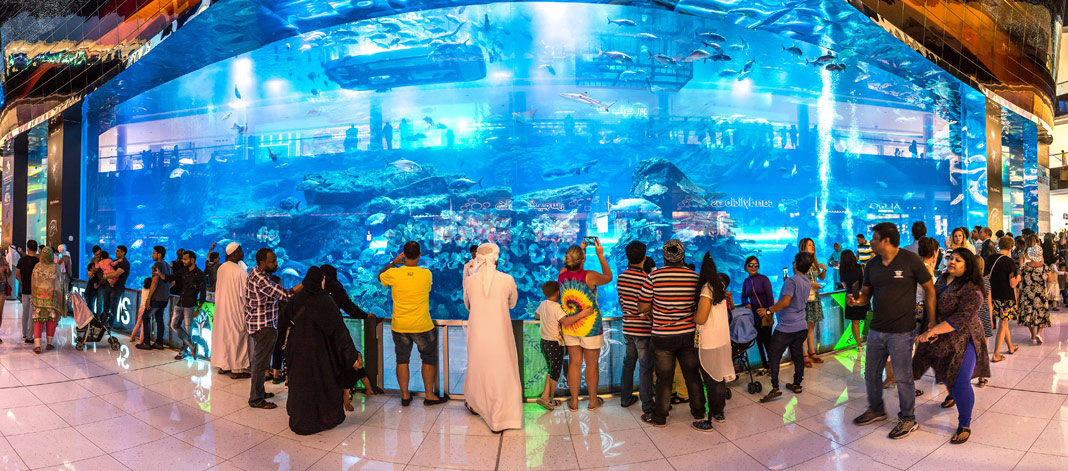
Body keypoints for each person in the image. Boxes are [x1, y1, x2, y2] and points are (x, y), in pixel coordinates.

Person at [849, 223, 935, 440]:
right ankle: (876, 409)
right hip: (877, 329)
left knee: (904, 378)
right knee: (871, 374)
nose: (871, 242)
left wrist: (932, 321)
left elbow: (929, 289)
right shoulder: (871, 265)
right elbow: (865, 295)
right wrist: (856, 301)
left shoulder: (910, 260)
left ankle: (908, 419)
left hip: (902, 331)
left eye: (874, 238)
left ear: (886, 240)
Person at [912, 249, 991, 445]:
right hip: (942, 335)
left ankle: (964, 424)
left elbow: (960, 319)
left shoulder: (974, 289)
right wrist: (930, 323)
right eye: (950, 258)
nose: (952, 262)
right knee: (945, 372)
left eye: (958, 260)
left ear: (968, 265)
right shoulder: (942, 279)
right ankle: (952, 395)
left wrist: (932, 331)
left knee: (960, 380)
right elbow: (932, 301)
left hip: (966, 337)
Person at [278, 266, 361, 435]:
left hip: (297, 350)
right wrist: (352, 356)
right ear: (320, 281)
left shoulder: (296, 298)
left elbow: (283, 320)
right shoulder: (326, 301)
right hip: (321, 351)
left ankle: (300, 418)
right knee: (323, 383)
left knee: (300, 384)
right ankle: (324, 418)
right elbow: (339, 331)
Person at [638, 239, 704, 427]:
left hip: (662, 335)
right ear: (682, 255)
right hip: (688, 334)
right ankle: (699, 413)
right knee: (692, 375)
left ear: (664, 256)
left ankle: (660, 417)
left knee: (664, 379)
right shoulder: (694, 277)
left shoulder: (654, 277)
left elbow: (642, 306)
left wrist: (655, 309)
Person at [378, 241, 448, 407]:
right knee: (428, 359)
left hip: (400, 325)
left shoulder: (394, 273)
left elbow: (380, 276)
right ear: (419, 255)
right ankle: (429, 395)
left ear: (403, 254)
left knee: (402, 360)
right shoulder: (426, 274)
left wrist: (393, 263)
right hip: (422, 325)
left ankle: (404, 396)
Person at [462, 243, 521, 433]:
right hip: (501, 333)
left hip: (478, 333)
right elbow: (512, 303)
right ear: (497, 258)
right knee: (502, 371)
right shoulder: (507, 279)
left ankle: (477, 405)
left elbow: (468, 305)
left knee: (479, 369)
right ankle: (504, 416)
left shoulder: (470, 281)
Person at [559, 238, 613, 410]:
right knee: (591, 364)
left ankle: (574, 402)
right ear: (583, 260)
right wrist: (600, 255)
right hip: (591, 327)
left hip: (570, 327)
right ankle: (592, 401)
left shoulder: (561, 274)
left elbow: (574, 266)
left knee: (575, 363)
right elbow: (608, 277)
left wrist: (580, 250)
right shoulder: (590, 276)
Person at [246, 248, 300, 409]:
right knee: (260, 364)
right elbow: (286, 294)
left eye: (275, 260)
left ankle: (260, 392)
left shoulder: (256, 272)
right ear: (262, 263)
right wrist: (305, 284)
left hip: (258, 323)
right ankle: (255, 399)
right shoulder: (261, 280)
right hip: (263, 326)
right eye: (272, 261)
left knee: (260, 362)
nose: (276, 264)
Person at [759, 252, 813, 403]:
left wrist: (767, 310)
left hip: (786, 327)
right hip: (801, 326)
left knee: (774, 355)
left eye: (794, 261)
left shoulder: (791, 281)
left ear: (796, 264)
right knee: (798, 356)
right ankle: (797, 384)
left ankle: (775, 387)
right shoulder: (806, 281)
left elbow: (785, 302)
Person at [321, 264, 378, 397]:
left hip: (318, 332)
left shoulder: (315, 288)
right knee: (348, 357)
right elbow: (348, 306)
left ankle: (327, 388)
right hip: (335, 330)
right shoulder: (336, 287)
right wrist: (364, 315)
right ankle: (352, 389)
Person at [692, 253, 735, 428]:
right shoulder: (720, 288)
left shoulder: (707, 289)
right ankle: (720, 412)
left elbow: (701, 318)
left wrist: (692, 315)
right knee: (718, 378)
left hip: (708, 341)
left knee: (710, 379)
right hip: (722, 339)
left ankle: (711, 415)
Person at [617, 241, 653, 413]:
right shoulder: (647, 278)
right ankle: (647, 403)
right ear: (644, 257)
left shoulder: (621, 277)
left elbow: (622, 302)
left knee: (628, 362)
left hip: (627, 326)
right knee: (645, 365)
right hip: (643, 328)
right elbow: (647, 305)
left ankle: (625, 398)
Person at [212, 243, 252, 378]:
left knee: (224, 338)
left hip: (222, 310)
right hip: (236, 310)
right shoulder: (240, 272)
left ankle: (224, 366)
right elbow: (246, 295)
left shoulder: (221, 268)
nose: (243, 253)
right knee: (237, 338)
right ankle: (237, 370)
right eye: (240, 251)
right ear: (233, 254)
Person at [160, 250, 206, 360]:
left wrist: (199, 308)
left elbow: (203, 292)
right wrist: (159, 273)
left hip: (190, 305)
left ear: (192, 260)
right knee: (173, 325)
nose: (183, 261)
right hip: (180, 302)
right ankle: (191, 346)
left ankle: (184, 350)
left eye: (185, 259)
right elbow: (169, 278)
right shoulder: (183, 271)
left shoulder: (199, 274)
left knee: (187, 330)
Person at [534, 281, 568, 410]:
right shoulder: (556, 307)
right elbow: (565, 320)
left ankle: (544, 396)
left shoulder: (543, 304)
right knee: (555, 373)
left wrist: (546, 318)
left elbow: (536, 316)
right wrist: (583, 314)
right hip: (555, 344)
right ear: (558, 292)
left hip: (544, 342)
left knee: (550, 369)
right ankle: (551, 401)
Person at [987, 236, 1019, 361]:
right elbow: (1012, 283)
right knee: (1003, 323)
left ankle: (1010, 347)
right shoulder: (1009, 262)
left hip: (993, 294)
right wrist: (1018, 279)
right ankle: (996, 354)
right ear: (1010, 247)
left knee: (1002, 322)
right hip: (1006, 296)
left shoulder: (990, 258)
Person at [741, 255, 774, 375]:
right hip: (754, 317)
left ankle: (772, 367)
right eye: (750, 265)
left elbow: (770, 298)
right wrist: (747, 303)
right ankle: (765, 366)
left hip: (765, 316)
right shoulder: (746, 281)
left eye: (756, 265)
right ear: (746, 267)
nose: (753, 267)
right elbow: (743, 297)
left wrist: (767, 311)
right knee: (759, 342)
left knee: (768, 342)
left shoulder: (764, 279)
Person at [30, 247, 65, 354]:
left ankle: (37, 346)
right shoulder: (56, 267)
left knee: (38, 322)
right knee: (51, 321)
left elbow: (33, 281)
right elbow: (60, 282)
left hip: (39, 300)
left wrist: (34, 295)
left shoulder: (37, 266)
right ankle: (49, 344)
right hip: (52, 300)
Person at [136, 246, 172, 350]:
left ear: (159, 254)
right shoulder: (168, 266)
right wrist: (164, 289)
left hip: (156, 298)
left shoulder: (157, 264)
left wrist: (148, 298)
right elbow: (172, 282)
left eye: (154, 253)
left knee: (146, 317)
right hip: (165, 298)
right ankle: (159, 343)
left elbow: (155, 282)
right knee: (159, 319)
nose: (152, 255)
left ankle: (146, 343)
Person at [1018, 245, 1053, 344]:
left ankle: (1033, 335)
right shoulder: (1045, 267)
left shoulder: (1024, 267)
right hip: (1041, 294)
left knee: (1029, 314)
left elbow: (1018, 279)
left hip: (1027, 295)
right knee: (1041, 313)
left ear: (1030, 254)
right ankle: (1039, 333)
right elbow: (1051, 280)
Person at [799, 238, 826, 366]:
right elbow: (798, 279)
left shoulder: (813, 262)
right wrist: (811, 284)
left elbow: (820, 277)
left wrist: (824, 270)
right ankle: (804, 354)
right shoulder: (799, 262)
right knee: (804, 326)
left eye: (813, 245)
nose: (812, 247)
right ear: (803, 246)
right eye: (810, 245)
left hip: (814, 297)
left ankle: (812, 351)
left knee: (812, 325)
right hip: (805, 298)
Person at [839, 250, 868, 350]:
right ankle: (870, 340)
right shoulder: (861, 267)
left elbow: (844, 285)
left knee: (855, 322)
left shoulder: (842, 271)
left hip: (850, 298)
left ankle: (859, 345)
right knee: (867, 318)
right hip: (863, 295)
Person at [16, 240, 39, 344]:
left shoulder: (22, 260)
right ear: (37, 249)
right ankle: (29, 336)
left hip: (24, 290)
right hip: (35, 291)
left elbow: (17, 274)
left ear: (28, 248)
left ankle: (24, 332)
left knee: (25, 312)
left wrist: (23, 282)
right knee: (32, 314)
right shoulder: (38, 262)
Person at [101, 245, 130, 326]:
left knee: (113, 307)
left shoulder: (125, 263)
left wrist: (106, 276)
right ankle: (103, 324)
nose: (115, 252)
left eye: (118, 251)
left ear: (123, 253)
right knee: (105, 306)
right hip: (108, 286)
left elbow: (115, 274)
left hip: (117, 288)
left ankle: (110, 325)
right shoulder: (115, 261)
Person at [129, 277, 152, 345]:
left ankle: (132, 337)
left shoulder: (143, 289)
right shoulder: (150, 290)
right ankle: (141, 340)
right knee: (144, 325)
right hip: (146, 308)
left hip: (141, 307)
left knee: (138, 323)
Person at [83, 245, 102, 315]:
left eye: (99, 254)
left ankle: (99, 319)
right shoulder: (93, 260)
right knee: (91, 302)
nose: (98, 256)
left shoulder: (105, 259)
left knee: (99, 303)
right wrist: (89, 272)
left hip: (102, 284)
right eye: (96, 255)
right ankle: (91, 318)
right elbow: (89, 269)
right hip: (95, 282)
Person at [0, 246, 10, 344]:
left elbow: (10, 274)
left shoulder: (3, 259)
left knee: (0, 312)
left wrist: (7, 269)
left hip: (1, 286)